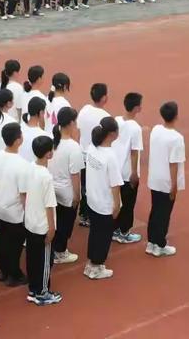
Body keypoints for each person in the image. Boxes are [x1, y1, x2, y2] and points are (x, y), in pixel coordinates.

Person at [0, 122, 28, 287]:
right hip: (14, 211)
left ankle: (3, 270)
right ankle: (14, 274)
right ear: (18, 139)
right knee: (15, 244)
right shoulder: (22, 164)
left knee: (3, 238)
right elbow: (23, 194)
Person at [84, 117, 122, 280]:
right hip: (104, 203)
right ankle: (97, 266)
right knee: (103, 236)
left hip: (92, 200)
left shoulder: (92, 148)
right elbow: (115, 185)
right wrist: (116, 205)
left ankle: (91, 264)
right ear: (113, 134)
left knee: (94, 233)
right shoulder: (110, 157)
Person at [25, 136, 61, 305]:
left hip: (30, 222)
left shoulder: (30, 167)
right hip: (42, 226)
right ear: (48, 153)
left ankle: (33, 288)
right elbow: (50, 205)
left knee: (32, 258)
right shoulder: (46, 176)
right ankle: (42, 292)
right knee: (45, 261)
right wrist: (52, 228)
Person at [147, 101, 185, 257]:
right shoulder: (177, 138)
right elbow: (174, 164)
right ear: (176, 116)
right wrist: (174, 186)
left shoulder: (156, 130)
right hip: (166, 181)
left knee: (155, 210)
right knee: (164, 213)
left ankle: (151, 242)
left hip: (154, 178)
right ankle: (160, 244)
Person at [48, 107, 83, 264]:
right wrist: (77, 195)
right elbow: (75, 175)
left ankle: (56, 248)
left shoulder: (52, 141)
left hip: (53, 188)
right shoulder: (74, 147)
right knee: (65, 224)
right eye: (75, 121)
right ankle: (60, 252)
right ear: (70, 123)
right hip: (67, 191)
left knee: (56, 221)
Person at [76, 83, 110, 227]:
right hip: (96, 157)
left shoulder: (84, 110)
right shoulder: (106, 117)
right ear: (104, 98)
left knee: (85, 186)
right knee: (95, 187)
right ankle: (91, 215)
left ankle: (84, 215)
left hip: (83, 155)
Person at [112, 93, 143, 244]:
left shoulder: (116, 120)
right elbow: (134, 151)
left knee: (116, 201)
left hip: (115, 169)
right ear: (136, 108)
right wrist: (134, 173)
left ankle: (115, 228)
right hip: (127, 172)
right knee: (128, 204)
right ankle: (124, 232)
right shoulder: (136, 128)